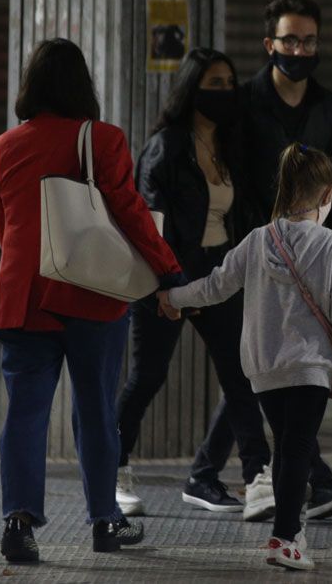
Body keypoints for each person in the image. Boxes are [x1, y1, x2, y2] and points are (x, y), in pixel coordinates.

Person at [0, 38, 185, 563]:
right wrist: (166, 268)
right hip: (90, 295)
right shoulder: (101, 139)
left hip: (23, 296)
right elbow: (128, 210)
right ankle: (105, 521)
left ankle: (18, 523)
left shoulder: (2, 147)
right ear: (83, 86)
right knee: (96, 411)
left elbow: (3, 228)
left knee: (24, 414)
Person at [195, 0, 332, 521]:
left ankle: (212, 472)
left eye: (309, 40)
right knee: (267, 368)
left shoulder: (329, 111)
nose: (300, 48)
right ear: (270, 43)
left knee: (271, 371)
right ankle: (303, 478)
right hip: (257, 256)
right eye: (290, 39)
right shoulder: (246, 105)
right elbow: (233, 183)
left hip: (314, 260)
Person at [161, 143, 332, 571]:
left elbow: (215, 286)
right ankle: (287, 539)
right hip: (308, 367)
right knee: (296, 448)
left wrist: (173, 297)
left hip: (264, 368)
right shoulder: (330, 246)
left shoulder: (258, 240)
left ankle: (287, 534)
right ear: (327, 193)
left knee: (287, 449)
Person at [113, 48, 270, 516]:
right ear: (190, 89)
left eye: (229, 83)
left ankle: (256, 479)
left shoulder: (230, 145)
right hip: (164, 276)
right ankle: (110, 475)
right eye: (213, 83)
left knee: (241, 375)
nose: (224, 92)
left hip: (218, 271)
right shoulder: (167, 145)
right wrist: (172, 283)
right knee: (147, 377)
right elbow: (148, 220)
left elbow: (240, 214)